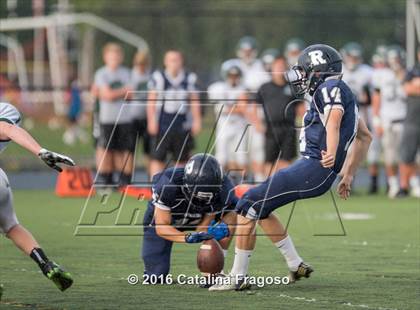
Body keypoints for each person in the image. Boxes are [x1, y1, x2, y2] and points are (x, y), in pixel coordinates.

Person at [209, 44, 372, 291]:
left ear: (318, 70)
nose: (302, 76)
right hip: (314, 169)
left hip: (313, 168)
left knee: (248, 205)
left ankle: (236, 277)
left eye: (306, 71)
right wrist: (347, 174)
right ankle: (296, 264)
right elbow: (365, 137)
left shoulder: (331, 88)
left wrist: (330, 151)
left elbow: (334, 119)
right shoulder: (341, 91)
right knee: (260, 207)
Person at [0, 101, 75, 291]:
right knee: (11, 226)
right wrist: (39, 151)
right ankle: (46, 264)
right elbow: (8, 128)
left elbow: (5, 128)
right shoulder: (8, 111)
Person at [141, 154, 236, 287]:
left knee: (234, 212)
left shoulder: (224, 189)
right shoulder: (168, 183)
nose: (202, 201)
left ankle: (215, 272)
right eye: (198, 195)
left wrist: (216, 231)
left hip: (199, 217)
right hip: (168, 219)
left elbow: (206, 226)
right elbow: (161, 227)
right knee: (155, 278)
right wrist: (187, 237)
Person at [147, 50, 201, 177]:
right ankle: (156, 186)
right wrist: (151, 120)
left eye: (176, 60)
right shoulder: (158, 77)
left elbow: (194, 100)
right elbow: (151, 100)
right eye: (171, 60)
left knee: (182, 159)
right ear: (165, 62)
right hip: (162, 123)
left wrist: (197, 120)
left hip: (181, 124)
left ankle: (180, 187)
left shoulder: (189, 78)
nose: (174, 63)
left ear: (181, 61)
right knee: (157, 157)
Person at [254, 57, 303, 175]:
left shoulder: (293, 87)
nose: (280, 69)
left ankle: (283, 188)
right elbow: (255, 106)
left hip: (289, 128)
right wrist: (257, 123)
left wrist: (303, 124)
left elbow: (300, 107)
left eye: (282, 66)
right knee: (269, 161)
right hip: (271, 129)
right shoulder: (265, 87)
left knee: (286, 160)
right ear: (272, 68)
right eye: (277, 66)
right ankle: (269, 189)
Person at [93, 43, 133, 186]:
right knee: (105, 149)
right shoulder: (101, 73)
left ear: (121, 57)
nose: (114, 58)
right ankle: (105, 180)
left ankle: (124, 181)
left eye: (117, 55)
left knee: (124, 150)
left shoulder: (127, 73)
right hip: (106, 119)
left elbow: (131, 94)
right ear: (105, 57)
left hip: (124, 118)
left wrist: (114, 93)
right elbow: (107, 95)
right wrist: (122, 91)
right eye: (111, 55)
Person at [340, 42, 377, 193]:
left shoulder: (368, 72)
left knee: (362, 148)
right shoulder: (339, 70)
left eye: (356, 57)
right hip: (344, 114)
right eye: (351, 56)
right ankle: (345, 181)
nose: (353, 59)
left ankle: (352, 179)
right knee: (344, 150)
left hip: (362, 113)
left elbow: (374, 96)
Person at [372, 45, 407, 198]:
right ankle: (393, 184)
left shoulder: (408, 73)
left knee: (407, 155)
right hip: (387, 120)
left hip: (405, 119)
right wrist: (377, 119)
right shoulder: (381, 75)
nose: (395, 62)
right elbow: (376, 98)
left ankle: (408, 183)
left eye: (397, 59)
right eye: (393, 59)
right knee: (389, 156)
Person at [235, 36, 269, 182]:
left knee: (258, 149)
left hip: (256, 114)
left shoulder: (260, 67)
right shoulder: (233, 66)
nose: (247, 54)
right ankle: (240, 182)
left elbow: (262, 93)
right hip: (237, 118)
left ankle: (259, 180)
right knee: (237, 153)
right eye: (245, 51)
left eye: (250, 51)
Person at [207, 59, 248, 178]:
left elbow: (242, 108)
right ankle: (220, 181)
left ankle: (242, 183)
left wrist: (229, 108)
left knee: (241, 157)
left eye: (236, 75)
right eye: (231, 75)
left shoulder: (242, 89)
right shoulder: (218, 88)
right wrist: (235, 108)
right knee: (222, 157)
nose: (233, 78)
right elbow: (222, 108)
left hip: (239, 125)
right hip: (224, 125)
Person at [398, 49, 420, 198]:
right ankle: (404, 187)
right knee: (407, 155)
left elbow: (414, 88)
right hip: (412, 121)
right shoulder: (413, 71)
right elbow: (407, 89)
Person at [130, 50, 152, 176]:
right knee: (130, 150)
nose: (141, 66)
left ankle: (150, 176)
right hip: (132, 117)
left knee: (148, 151)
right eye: (139, 63)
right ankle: (127, 179)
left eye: (143, 63)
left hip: (147, 117)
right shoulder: (130, 75)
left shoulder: (151, 76)